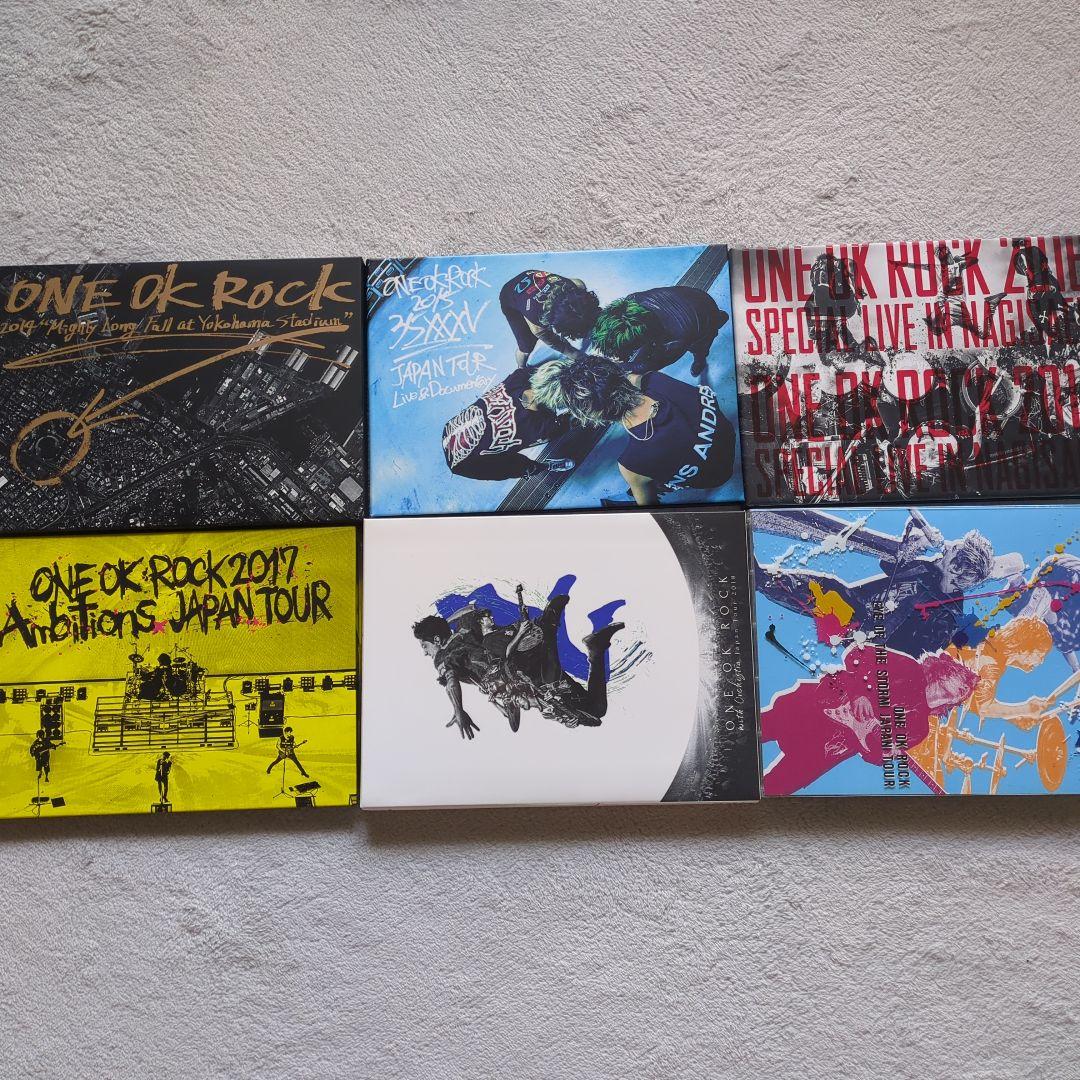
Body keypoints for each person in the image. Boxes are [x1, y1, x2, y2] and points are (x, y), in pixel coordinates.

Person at [755, 520, 998, 658]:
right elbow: (890, 565)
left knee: (828, 593)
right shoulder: (929, 570)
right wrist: (911, 545)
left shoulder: (948, 616)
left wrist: (874, 651)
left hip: (870, 640)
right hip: (860, 608)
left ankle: (761, 580)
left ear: (955, 567)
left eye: (954, 549)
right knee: (826, 589)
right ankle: (762, 578)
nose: (948, 546)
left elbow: (919, 656)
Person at [760, 645, 978, 796]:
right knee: (752, 731)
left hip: (829, 749)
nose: (964, 692)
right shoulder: (909, 668)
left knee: (772, 789)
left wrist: (884, 754)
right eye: (963, 683)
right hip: (817, 708)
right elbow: (857, 654)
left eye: (965, 692)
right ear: (946, 671)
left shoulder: (919, 729)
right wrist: (859, 694)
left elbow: (872, 756)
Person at [530, 354, 736, 505]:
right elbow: (633, 378)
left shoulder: (632, 464)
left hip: (716, 476)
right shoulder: (656, 379)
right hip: (727, 435)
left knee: (642, 486)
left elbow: (651, 509)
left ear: (592, 415)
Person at [441, 365, 574, 481]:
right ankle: (545, 466)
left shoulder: (518, 378)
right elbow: (563, 425)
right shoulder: (538, 428)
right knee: (519, 467)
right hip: (466, 464)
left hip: (453, 430)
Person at [588, 286, 726, 377]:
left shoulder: (677, 339)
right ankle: (719, 317)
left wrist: (619, 366)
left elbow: (650, 365)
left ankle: (700, 359)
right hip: (693, 295)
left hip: (701, 319)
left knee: (700, 347)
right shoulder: (632, 300)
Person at [500, 271, 600, 366]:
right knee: (526, 346)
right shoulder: (537, 324)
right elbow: (560, 346)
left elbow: (580, 293)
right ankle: (521, 368)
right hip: (509, 294)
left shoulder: (576, 286)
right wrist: (578, 356)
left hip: (530, 280)